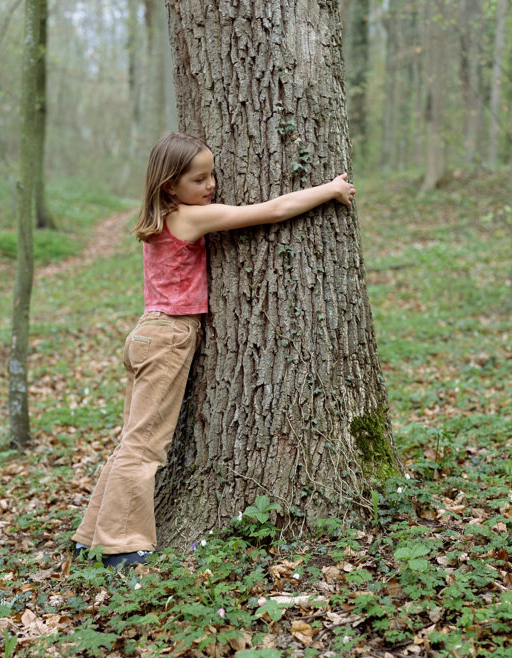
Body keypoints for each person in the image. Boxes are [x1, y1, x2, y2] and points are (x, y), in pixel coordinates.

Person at [72, 131, 355, 567]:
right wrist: (331, 189)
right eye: (199, 179)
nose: (211, 186)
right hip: (169, 336)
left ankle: (91, 535)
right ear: (171, 185)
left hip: (148, 333)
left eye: (212, 176)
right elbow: (273, 210)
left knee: (130, 441)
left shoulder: (161, 216)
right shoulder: (188, 218)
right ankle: (123, 545)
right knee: (145, 446)